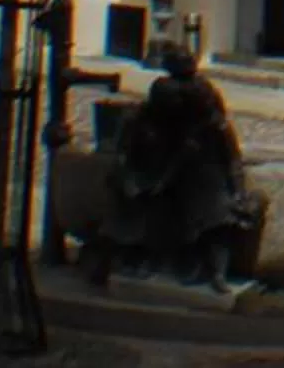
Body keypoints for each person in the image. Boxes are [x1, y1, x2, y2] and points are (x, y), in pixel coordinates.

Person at [91, 47, 262, 286]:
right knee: (135, 207)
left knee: (216, 210)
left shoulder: (211, 127)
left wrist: (237, 193)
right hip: (149, 177)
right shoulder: (142, 122)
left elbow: (232, 161)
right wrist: (131, 179)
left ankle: (215, 272)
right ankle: (120, 260)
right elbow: (122, 154)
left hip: (194, 181)